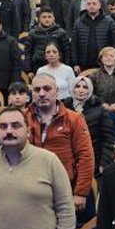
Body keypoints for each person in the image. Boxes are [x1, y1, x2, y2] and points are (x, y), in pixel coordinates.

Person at [26, 74, 95, 210]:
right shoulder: (21, 118)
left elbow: (85, 156)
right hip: (28, 190)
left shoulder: (74, 119)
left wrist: (80, 193)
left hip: (64, 189)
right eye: (37, 90)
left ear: (57, 91)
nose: (42, 94)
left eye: (47, 89)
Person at [64, 75, 115, 176]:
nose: (81, 90)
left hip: (93, 161)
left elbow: (109, 139)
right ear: (72, 89)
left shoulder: (100, 110)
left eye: (85, 87)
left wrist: (103, 163)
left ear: (90, 91)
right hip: (66, 162)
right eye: (77, 86)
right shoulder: (63, 109)